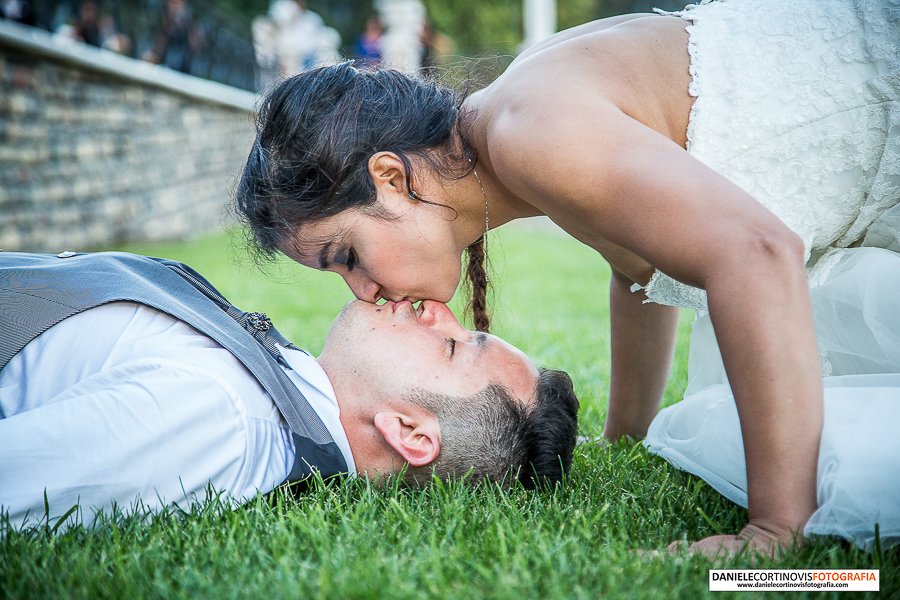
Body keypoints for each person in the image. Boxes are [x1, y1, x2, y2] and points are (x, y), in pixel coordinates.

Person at [233, 0, 899, 555]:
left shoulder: (531, 131)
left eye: (345, 255)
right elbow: (637, 268)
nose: (362, 293)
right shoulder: (510, 133)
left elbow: (756, 252)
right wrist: (625, 437)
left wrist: (777, 526)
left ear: (389, 178)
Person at [0, 251, 578, 531]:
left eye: (452, 347)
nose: (438, 311)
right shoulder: (255, 394)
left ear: (409, 431)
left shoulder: (223, 417)